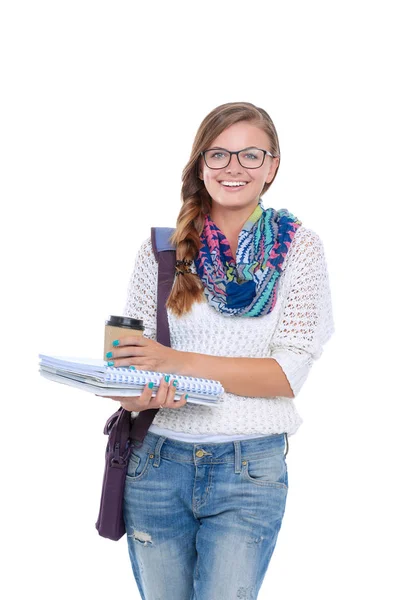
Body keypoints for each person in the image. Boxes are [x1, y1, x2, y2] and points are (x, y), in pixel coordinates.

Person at [106, 101, 335, 599]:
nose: (235, 168)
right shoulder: (161, 251)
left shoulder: (301, 249)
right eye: (219, 155)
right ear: (200, 165)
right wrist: (138, 396)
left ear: (273, 166)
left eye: (251, 155)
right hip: (155, 463)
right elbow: (129, 368)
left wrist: (174, 362)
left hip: (248, 469)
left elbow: (284, 375)